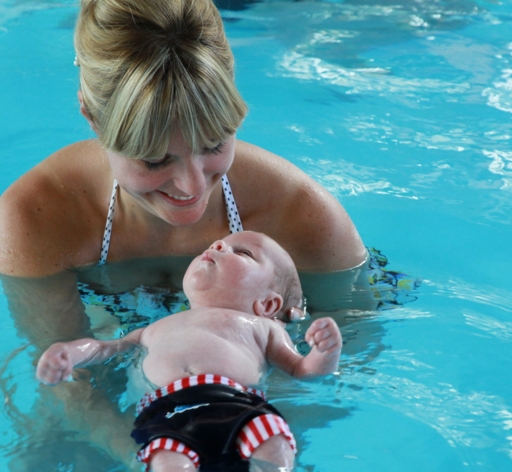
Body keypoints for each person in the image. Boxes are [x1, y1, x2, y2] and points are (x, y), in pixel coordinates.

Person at [0, 0, 369, 345]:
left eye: (214, 145)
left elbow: (349, 366)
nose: (192, 186)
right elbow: (69, 389)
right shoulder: (35, 220)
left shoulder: (300, 217)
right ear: (91, 117)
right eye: (155, 160)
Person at [36, 231, 343, 472]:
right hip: (166, 412)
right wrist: (68, 352)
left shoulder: (262, 327)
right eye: (214, 245)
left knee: (273, 438)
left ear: (267, 303)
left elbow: (303, 370)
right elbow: (103, 348)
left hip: (236, 405)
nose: (218, 244)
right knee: (162, 458)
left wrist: (325, 353)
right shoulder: (153, 328)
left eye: (243, 253)